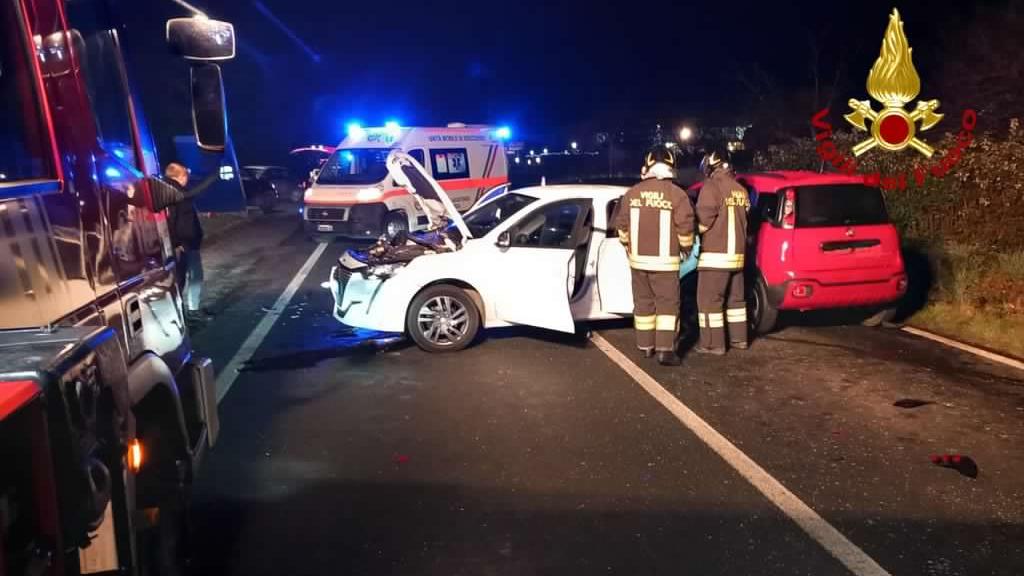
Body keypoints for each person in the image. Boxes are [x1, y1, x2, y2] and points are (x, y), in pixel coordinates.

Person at [611, 146, 695, 366]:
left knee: (643, 303)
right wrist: (686, 248)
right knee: (667, 305)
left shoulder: (632, 193)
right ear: (671, 166)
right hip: (665, 263)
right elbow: (685, 227)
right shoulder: (677, 194)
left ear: (647, 166)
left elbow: (621, 226)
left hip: (638, 262)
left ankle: (646, 345)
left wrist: (628, 246)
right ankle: (665, 350)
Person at [148, 162, 219, 325]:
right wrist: (176, 243)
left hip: (187, 242)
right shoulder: (174, 193)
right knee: (188, 278)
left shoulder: (173, 191)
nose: (188, 178)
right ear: (180, 176)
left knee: (190, 277)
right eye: (186, 175)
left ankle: (189, 310)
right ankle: (188, 312)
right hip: (183, 244)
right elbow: (170, 221)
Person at [695, 149, 750, 355]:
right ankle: (739, 339)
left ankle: (712, 344)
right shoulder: (740, 190)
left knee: (709, 301)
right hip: (738, 257)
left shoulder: (711, 186)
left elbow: (703, 223)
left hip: (715, 257)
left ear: (712, 165)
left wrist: (690, 232)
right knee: (736, 301)